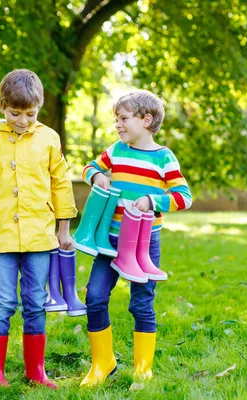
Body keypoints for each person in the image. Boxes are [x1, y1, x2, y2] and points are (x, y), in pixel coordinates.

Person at [0, 69, 77, 389]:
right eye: (15, 113)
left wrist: (63, 229)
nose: (23, 120)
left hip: (40, 235)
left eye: (30, 113)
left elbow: (61, 185)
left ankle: (35, 371)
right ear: (1, 106)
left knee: (36, 302)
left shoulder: (49, 138)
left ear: (38, 107)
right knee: (3, 302)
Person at [78, 90, 192, 386]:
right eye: (116, 119)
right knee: (95, 296)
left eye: (123, 118)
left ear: (146, 119)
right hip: (109, 241)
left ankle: (143, 367)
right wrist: (96, 176)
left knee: (141, 303)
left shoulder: (164, 158)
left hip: (143, 244)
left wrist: (152, 201)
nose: (118, 125)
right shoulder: (116, 150)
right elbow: (89, 167)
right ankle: (103, 362)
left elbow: (184, 196)